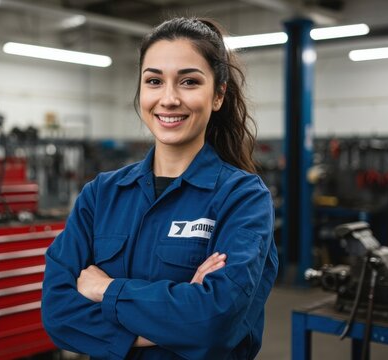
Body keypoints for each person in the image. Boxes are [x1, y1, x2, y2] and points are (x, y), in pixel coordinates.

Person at [42, 17, 278, 360]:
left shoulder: (242, 198)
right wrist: (175, 322)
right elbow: (58, 313)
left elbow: (216, 322)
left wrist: (105, 289)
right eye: (154, 81)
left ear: (218, 95)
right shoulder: (101, 195)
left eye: (189, 82)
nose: (168, 99)